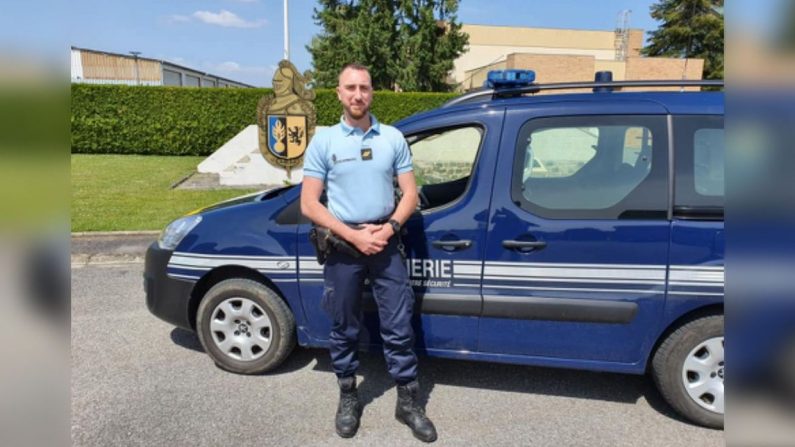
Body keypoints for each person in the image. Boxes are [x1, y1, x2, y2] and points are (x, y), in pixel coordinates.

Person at [300, 63, 437, 443]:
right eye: (350, 87)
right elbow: (310, 203)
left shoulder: (392, 138)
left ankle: (408, 402)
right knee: (344, 325)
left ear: (372, 92)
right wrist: (352, 235)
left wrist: (390, 227)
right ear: (339, 94)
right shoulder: (324, 142)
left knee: (398, 324)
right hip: (343, 246)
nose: (358, 94)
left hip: (386, 242)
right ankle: (348, 396)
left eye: (364, 87)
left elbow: (410, 193)